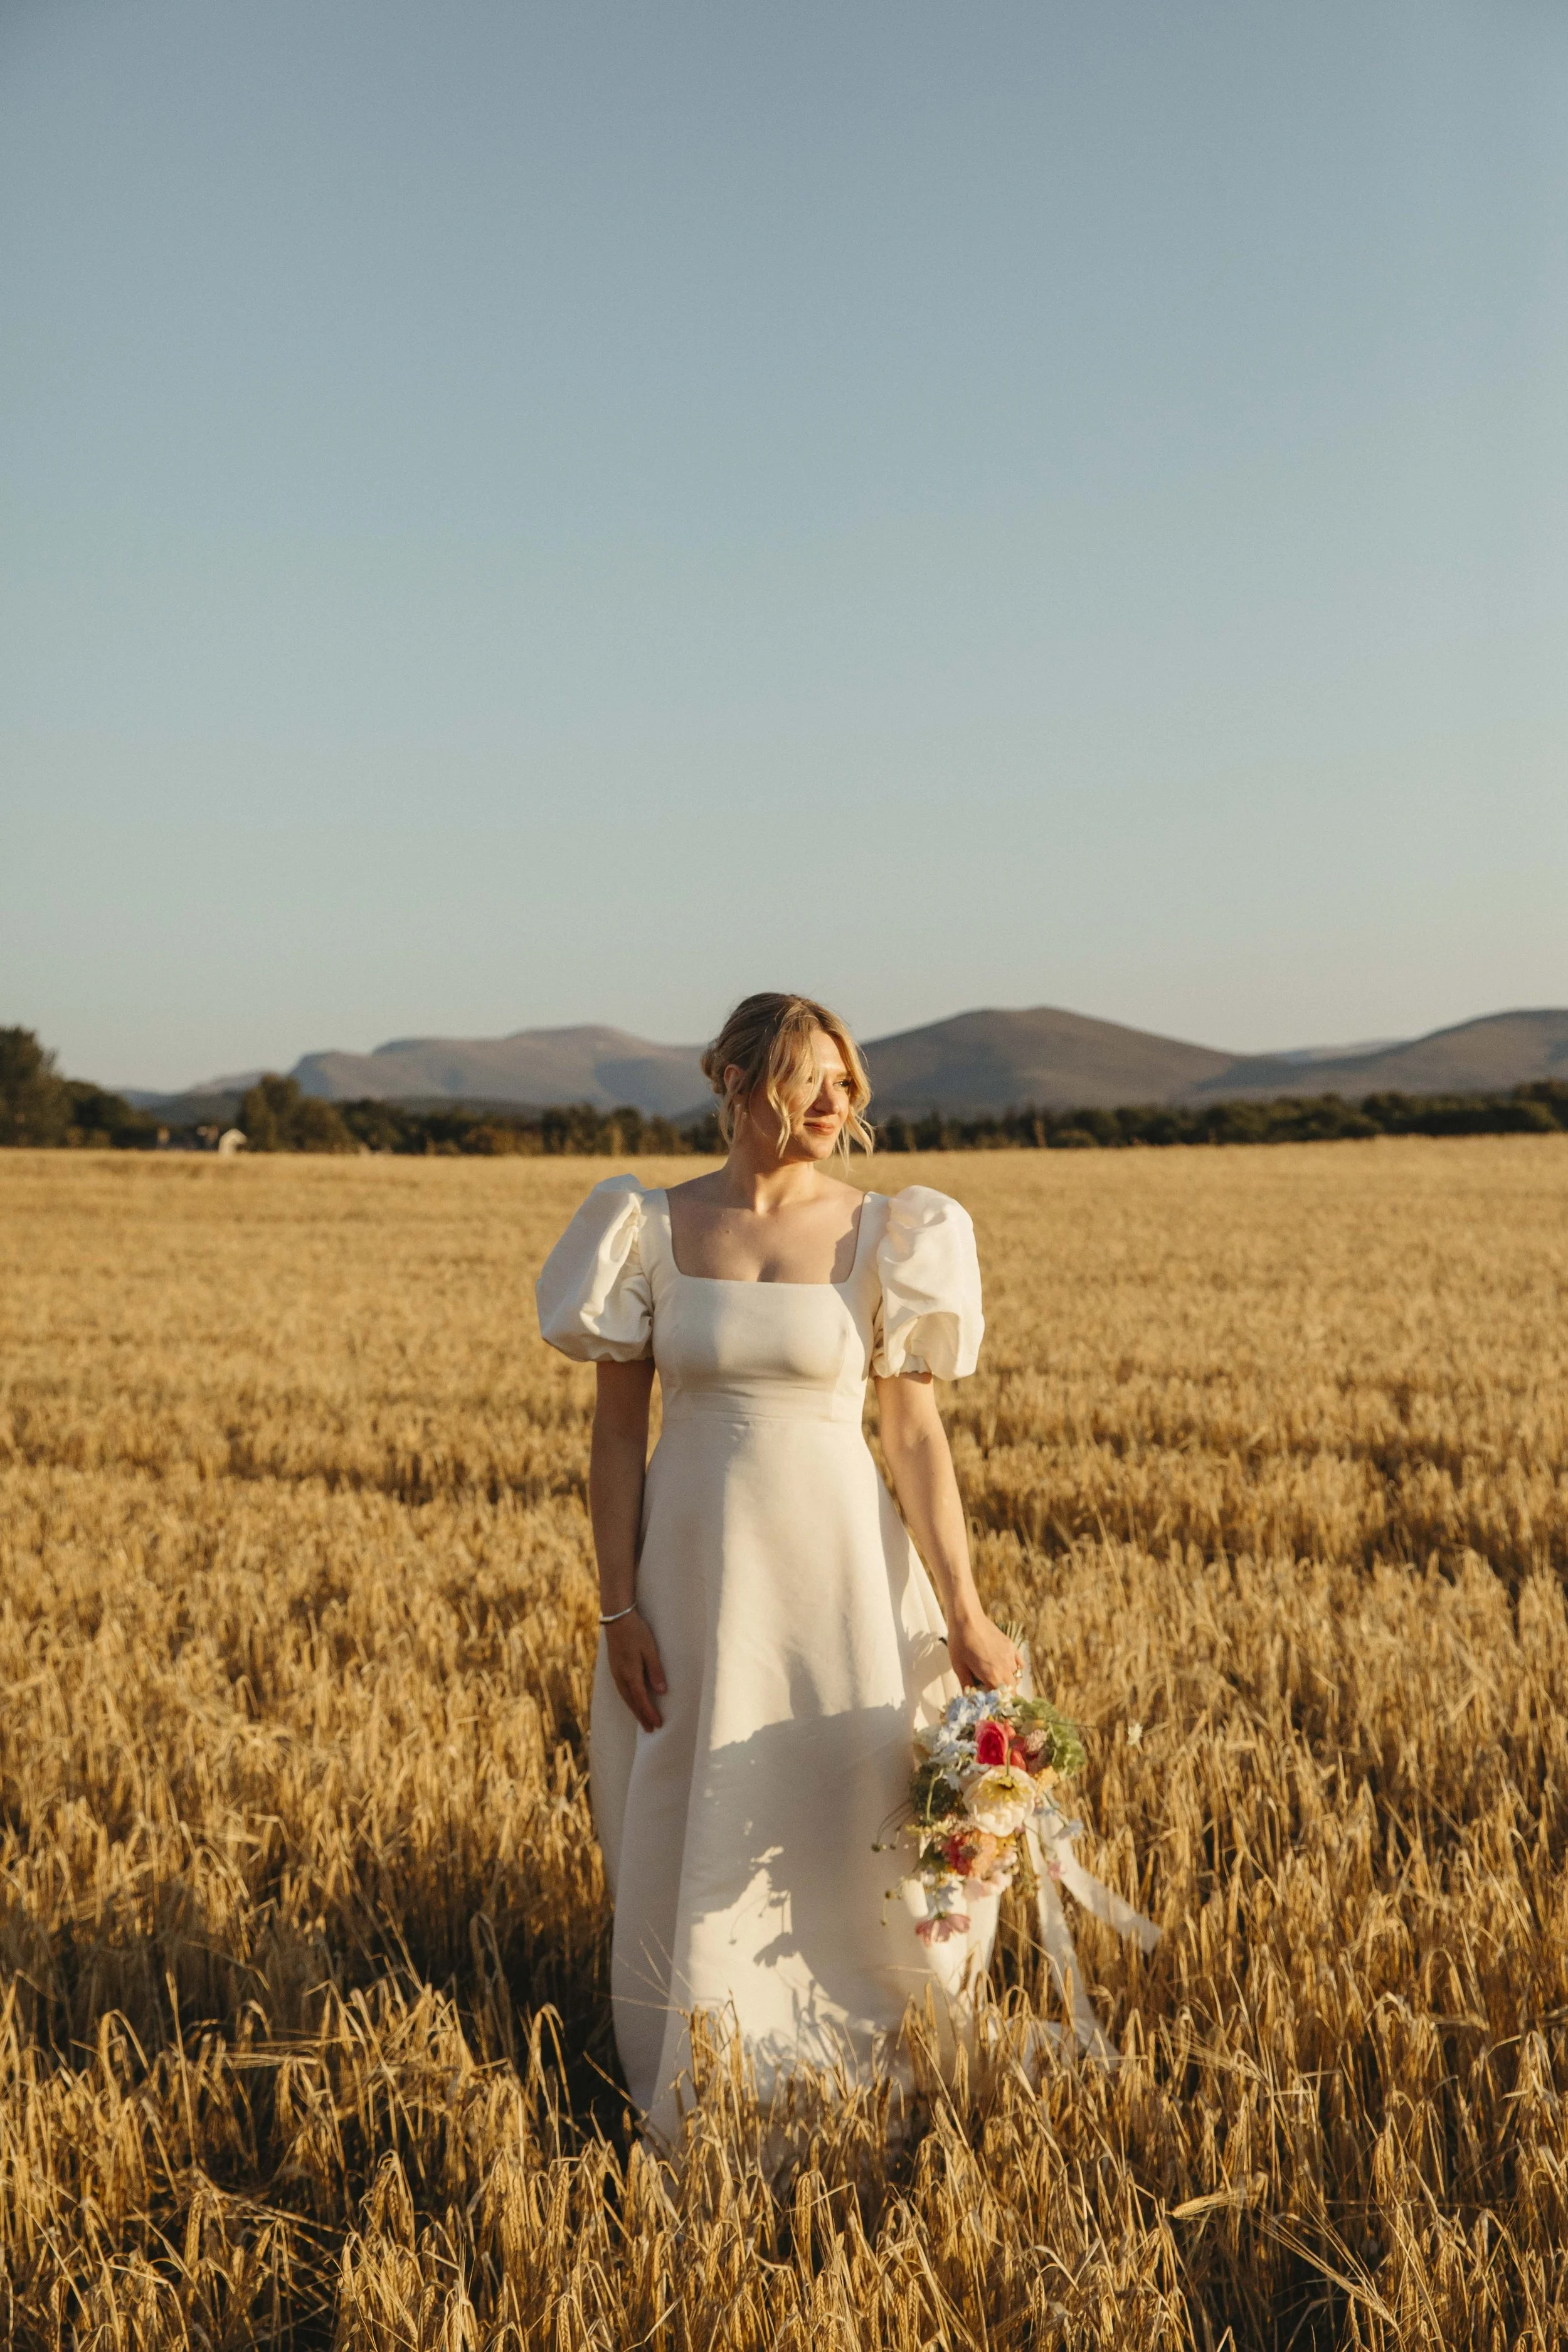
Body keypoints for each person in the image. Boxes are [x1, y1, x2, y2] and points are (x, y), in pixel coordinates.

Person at [536, 990, 1021, 2139]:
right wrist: (617, 1607)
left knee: (855, 1804)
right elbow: (614, 1440)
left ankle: (872, 2077)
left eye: (845, 1081)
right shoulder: (645, 1228)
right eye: (810, 1077)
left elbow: (912, 1438)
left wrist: (967, 1610)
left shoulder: (886, 1230)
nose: (835, 1100)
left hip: (842, 1570)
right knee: (689, 1807)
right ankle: (704, 2087)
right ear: (739, 1079)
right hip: (693, 1579)